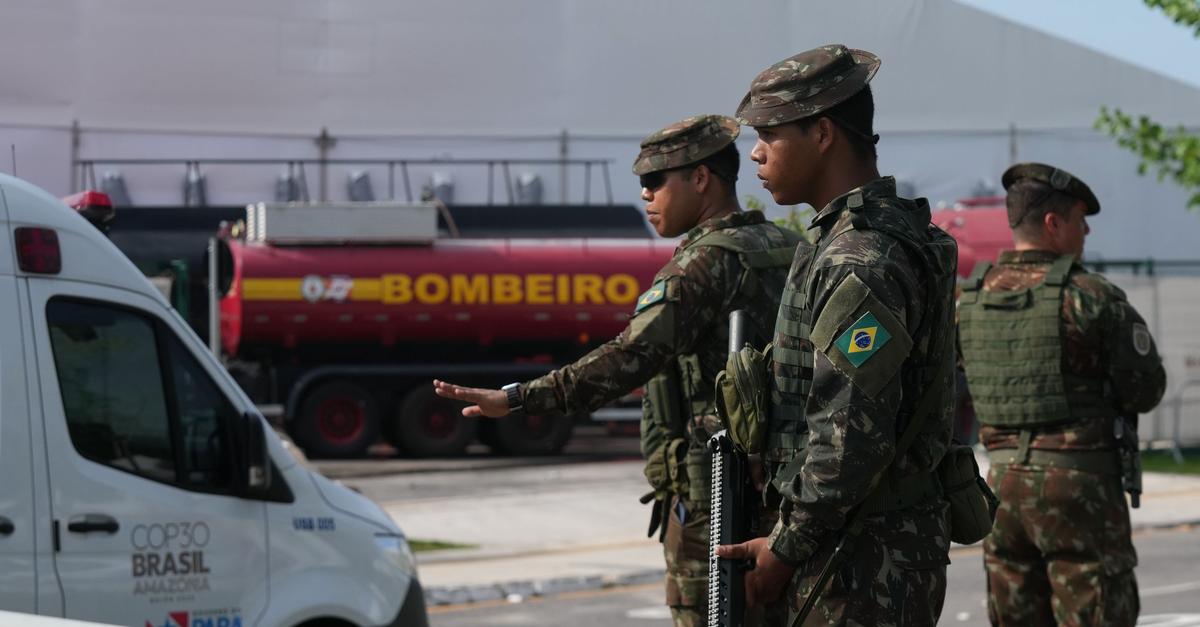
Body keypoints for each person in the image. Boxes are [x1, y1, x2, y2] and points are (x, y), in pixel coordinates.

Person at [433, 114, 805, 626]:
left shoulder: (701, 265)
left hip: (716, 496)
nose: (646, 196)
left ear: (700, 179)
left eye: (656, 181)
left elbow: (628, 358)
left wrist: (520, 398)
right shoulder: (790, 248)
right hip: (784, 496)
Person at [716, 44, 959, 626]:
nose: (754, 153)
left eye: (770, 134)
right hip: (854, 549)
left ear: (822, 133)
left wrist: (785, 548)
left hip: (859, 563)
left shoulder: (860, 257)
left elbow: (850, 432)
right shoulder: (841, 240)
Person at [957, 162, 1166, 626]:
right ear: (1054, 224)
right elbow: (1146, 389)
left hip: (1001, 490)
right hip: (1080, 489)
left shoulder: (969, 301)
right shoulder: (1091, 297)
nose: (1086, 229)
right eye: (1078, 218)